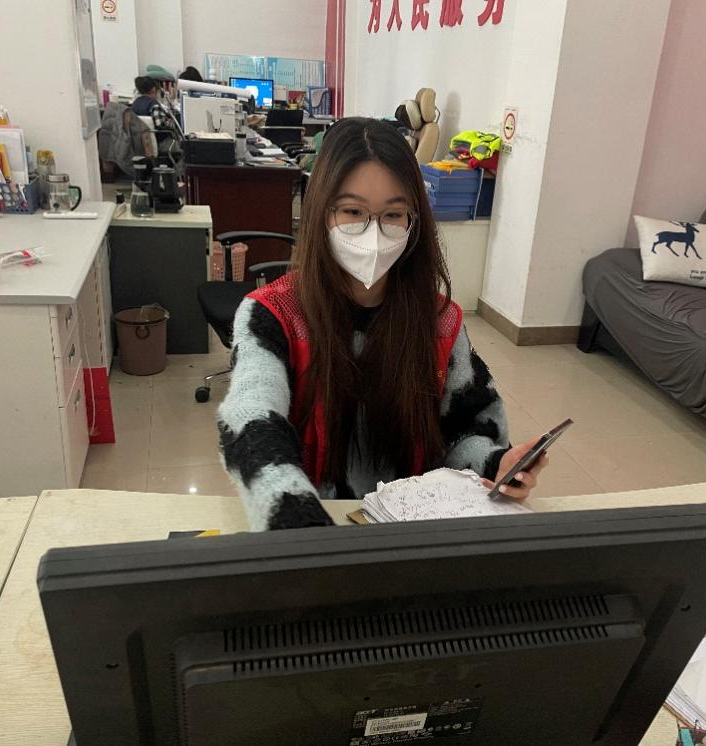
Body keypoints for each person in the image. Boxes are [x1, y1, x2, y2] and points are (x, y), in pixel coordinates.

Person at [217, 117, 549, 531]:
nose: (374, 233)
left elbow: (467, 428)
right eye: (353, 211)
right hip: (318, 523)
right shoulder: (272, 314)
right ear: (321, 211)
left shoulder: (440, 321)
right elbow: (251, 416)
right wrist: (294, 516)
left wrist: (498, 464)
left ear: (414, 221)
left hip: (413, 524)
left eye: (393, 214)